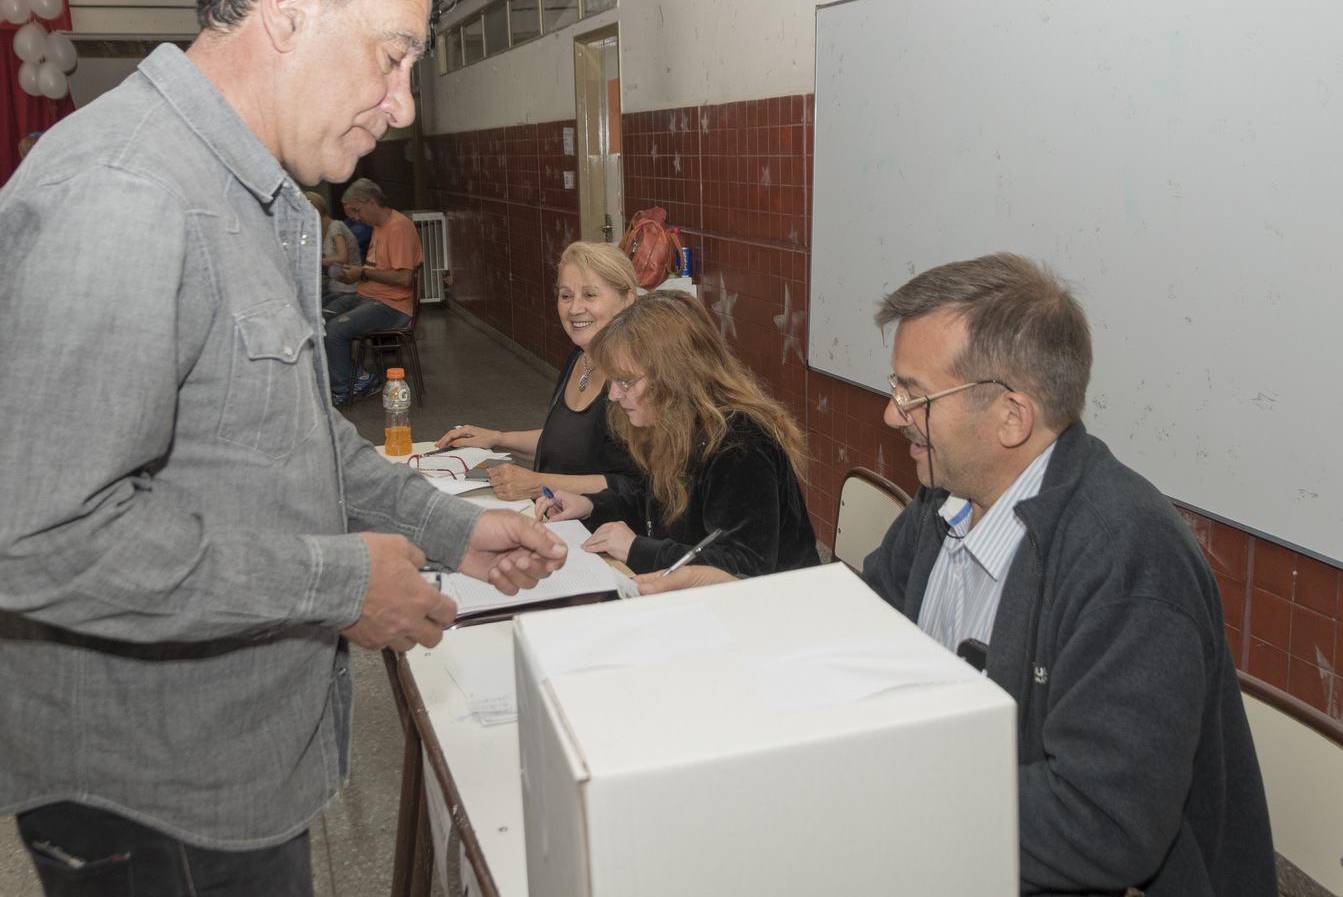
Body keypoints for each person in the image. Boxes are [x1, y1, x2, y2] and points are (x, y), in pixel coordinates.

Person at [0, 0, 567, 897]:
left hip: (222, 765)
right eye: (392, 56)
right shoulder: (126, 196)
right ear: (288, 8)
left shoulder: (245, 195)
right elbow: (34, 540)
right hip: (153, 788)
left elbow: (289, 435)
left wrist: (445, 525)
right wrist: (338, 585)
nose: (403, 106)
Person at [643, 253, 1275, 896]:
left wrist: (874, 792)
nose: (893, 415)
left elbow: (1103, 825)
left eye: (914, 394)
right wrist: (746, 603)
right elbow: (863, 617)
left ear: (1011, 416)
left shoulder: (1126, 562)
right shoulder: (948, 498)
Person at [535, 291, 820, 577]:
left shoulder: (741, 446)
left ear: (674, 377)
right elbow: (657, 508)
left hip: (777, 608)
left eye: (626, 381)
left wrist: (636, 549)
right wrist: (590, 505)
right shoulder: (673, 424)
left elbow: (743, 566)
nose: (613, 395)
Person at [435, 241, 640, 501]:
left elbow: (633, 485)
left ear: (627, 300)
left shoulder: (633, 378)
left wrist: (538, 483)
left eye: (590, 295)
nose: (574, 308)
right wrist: (497, 439)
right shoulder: (579, 358)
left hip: (596, 531)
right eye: (566, 296)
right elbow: (567, 443)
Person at [324, 177, 421, 404]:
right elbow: (376, 268)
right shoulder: (378, 226)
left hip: (393, 305)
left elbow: (404, 277)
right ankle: (351, 377)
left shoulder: (397, 227)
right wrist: (354, 275)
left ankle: (350, 385)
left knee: (335, 330)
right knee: (319, 319)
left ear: (372, 202)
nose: (354, 217)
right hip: (369, 296)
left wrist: (363, 274)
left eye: (356, 210)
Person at [305, 189, 360, 307]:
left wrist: (315, 260)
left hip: (349, 289)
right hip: (335, 287)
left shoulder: (336, 227)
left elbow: (343, 258)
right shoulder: (319, 232)